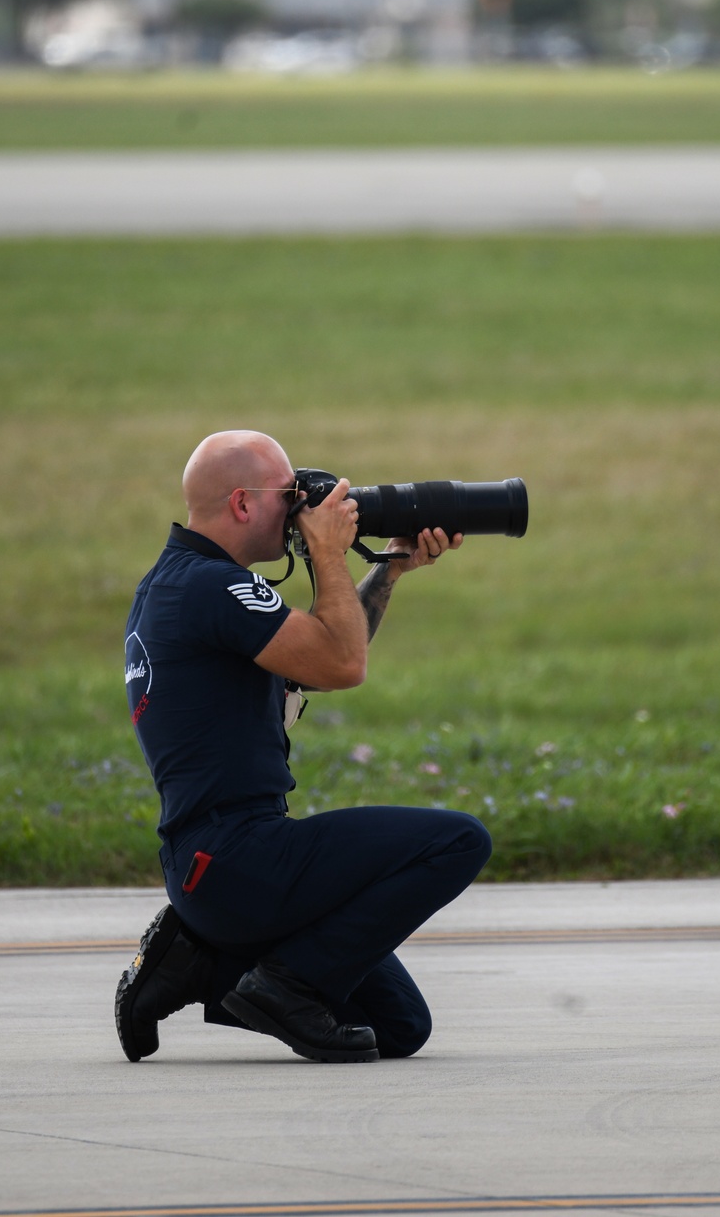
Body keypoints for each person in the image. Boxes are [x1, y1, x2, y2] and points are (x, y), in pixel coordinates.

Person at [115, 429, 492, 1064]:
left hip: (213, 869)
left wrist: (390, 565)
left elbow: (318, 660)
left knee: (401, 1027)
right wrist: (327, 554)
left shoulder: (180, 584)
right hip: (238, 858)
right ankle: (283, 984)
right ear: (241, 503)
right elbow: (344, 662)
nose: (299, 507)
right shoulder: (212, 587)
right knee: (459, 841)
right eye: (287, 493)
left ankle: (197, 959)